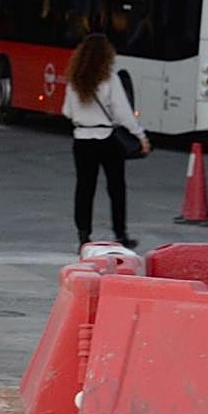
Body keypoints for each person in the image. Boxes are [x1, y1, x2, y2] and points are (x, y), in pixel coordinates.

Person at [62, 33, 150, 251]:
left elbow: (66, 110)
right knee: (116, 187)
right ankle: (120, 234)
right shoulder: (110, 79)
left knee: (84, 188)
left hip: (82, 138)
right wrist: (140, 135)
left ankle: (84, 236)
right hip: (106, 139)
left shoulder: (75, 80)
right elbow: (123, 113)